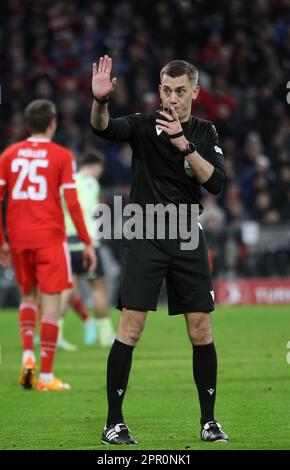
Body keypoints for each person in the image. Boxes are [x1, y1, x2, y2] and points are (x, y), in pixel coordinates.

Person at [91, 55, 228, 444]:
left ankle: (209, 422)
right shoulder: (141, 124)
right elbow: (103, 129)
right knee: (130, 328)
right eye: (166, 90)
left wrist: (184, 146)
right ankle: (113, 423)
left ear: (195, 92)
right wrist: (100, 102)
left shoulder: (204, 131)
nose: (171, 98)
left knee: (201, 329)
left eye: (180, 91)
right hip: (146, 233)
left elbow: (216, 183)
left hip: (187, 234)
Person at [0, 99, 96, 391]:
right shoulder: (62, 156)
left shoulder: (9, 155)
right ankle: (45, 376)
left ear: (27, 124)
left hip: (18, 236)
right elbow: (72, 203)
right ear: (52, 122)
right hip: (50, 237)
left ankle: (28, 356)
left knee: (27, 298)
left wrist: (1, 240)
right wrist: (87, 241)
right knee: (51, 304)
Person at [59, 151, 115, 348]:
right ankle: (105, 335)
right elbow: (88, 211)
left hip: (66, 242)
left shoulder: (66, 181)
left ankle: (55, 334)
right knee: (99, 287)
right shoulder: (90, 182)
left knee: (66, 290)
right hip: (86, 243)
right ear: (95, 166)